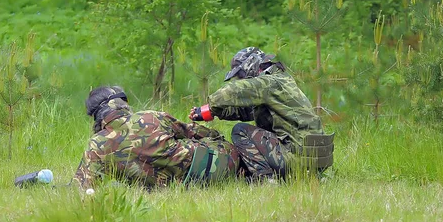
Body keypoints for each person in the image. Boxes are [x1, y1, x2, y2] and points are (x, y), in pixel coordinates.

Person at [189, 47, 330, 182]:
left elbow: (228, 92)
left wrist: (209, 106)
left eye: (240, 75)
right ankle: (312, 176)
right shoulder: (281, 81)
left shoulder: (267, 83)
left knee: (240, 131)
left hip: (297, 157)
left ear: (250, 66)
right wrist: (213, 112)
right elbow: (246, 111)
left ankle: (265, 179)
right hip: (316, 159)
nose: (240, 79)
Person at [73, 86, 240, 190]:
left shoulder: (96, 145)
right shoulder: (150, 117)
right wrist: (217, 138)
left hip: (172, 186)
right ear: (120, 104)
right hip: (217, 168)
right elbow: (194, 131)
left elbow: (84, 185)